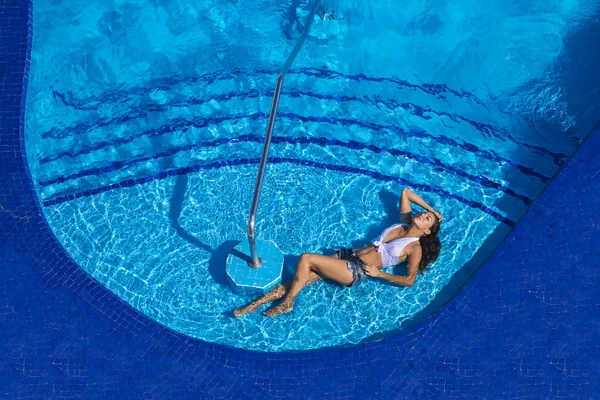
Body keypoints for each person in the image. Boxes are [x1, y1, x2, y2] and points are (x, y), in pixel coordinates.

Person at [233, 187, 443, 317]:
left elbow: (410, 280)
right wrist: (433, 211)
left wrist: (380, 274)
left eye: (427, 219)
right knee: (302, 278)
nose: (423, 215)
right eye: (424, 213)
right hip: (347, 254)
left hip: (355, 270)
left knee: (306, 259)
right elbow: (406, 192)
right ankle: (255, 304)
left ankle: (288, 303)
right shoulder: (403, 223)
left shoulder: (414, 246)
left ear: (426, 232)